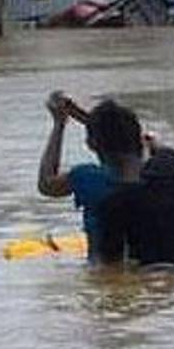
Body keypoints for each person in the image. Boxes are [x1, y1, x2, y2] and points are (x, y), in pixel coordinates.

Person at [37, 93, 143, 259]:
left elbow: (46, 184)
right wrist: (80, 115)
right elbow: (120, 136)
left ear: (91, 144)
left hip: (105, 272)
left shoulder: (88, 178)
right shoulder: (161, 169)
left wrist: (59, 124)